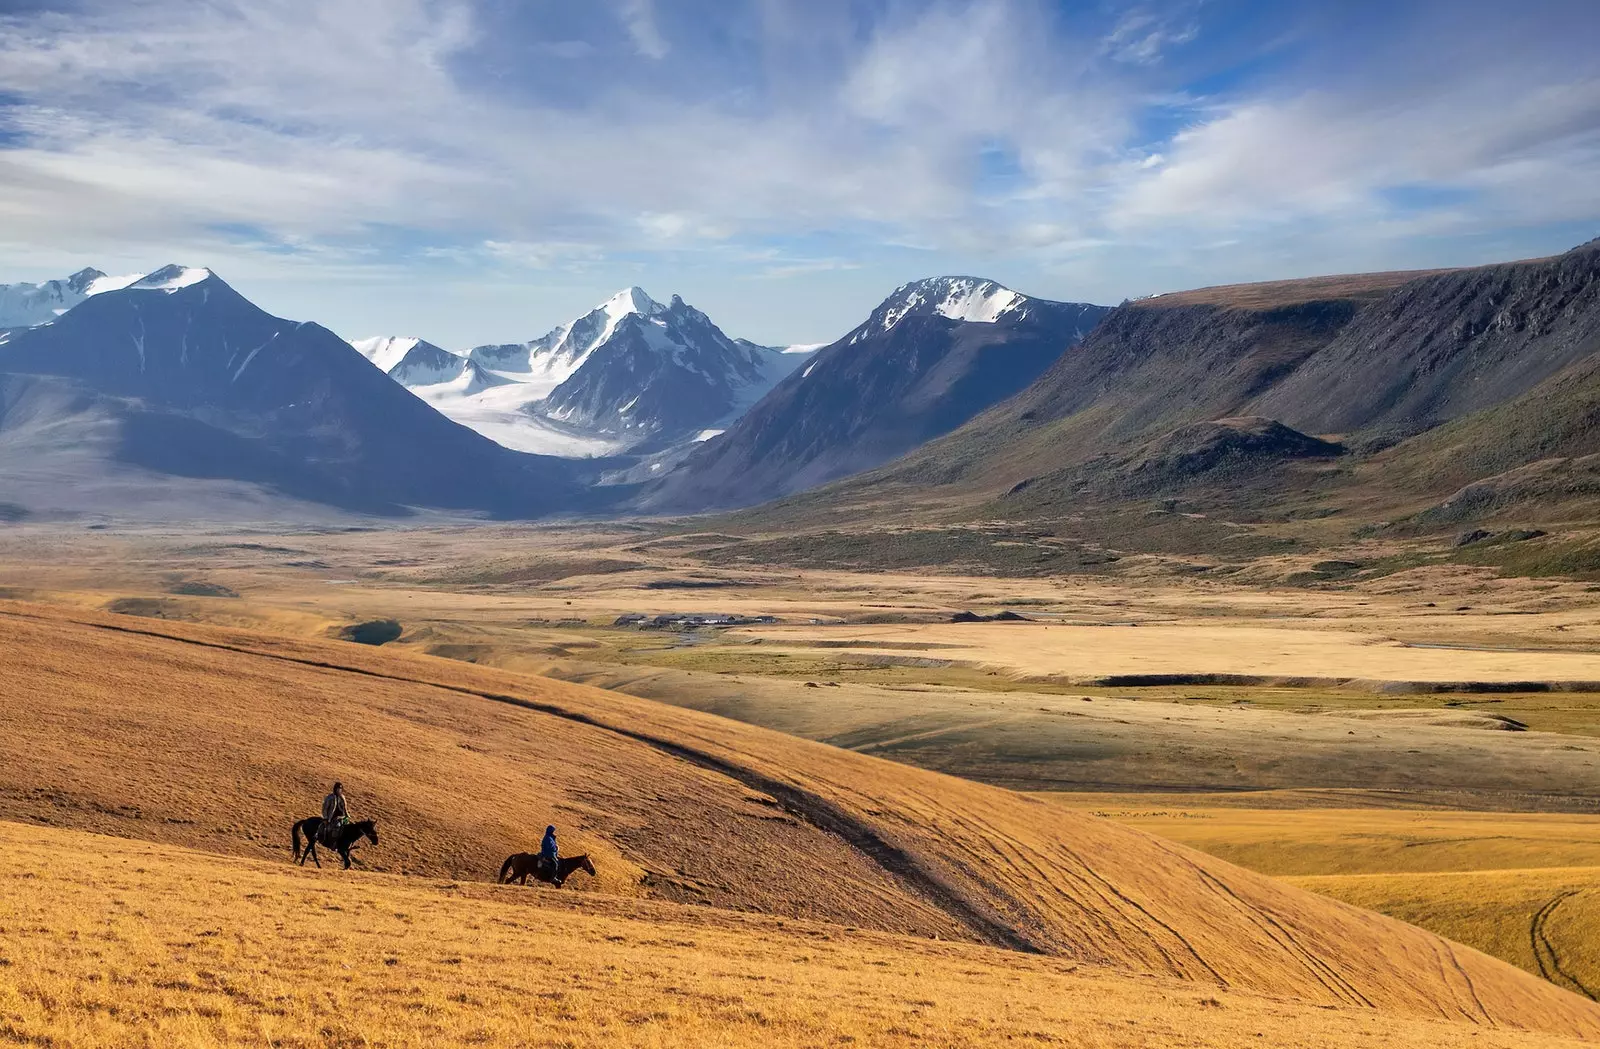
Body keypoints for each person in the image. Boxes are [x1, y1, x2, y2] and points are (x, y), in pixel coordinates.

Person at [320, 782, 349, 847]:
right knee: (336, 827)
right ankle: (333, 843)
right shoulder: (329, 798)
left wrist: (347, 815)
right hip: (332, 817)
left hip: (342, 816)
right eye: (338, 789)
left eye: (340, 789)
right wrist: (326, 818)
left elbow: (345, 808)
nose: (339, 790)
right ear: (335, 789)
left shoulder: (343, 797)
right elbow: (324, 809)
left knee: (347, 827)